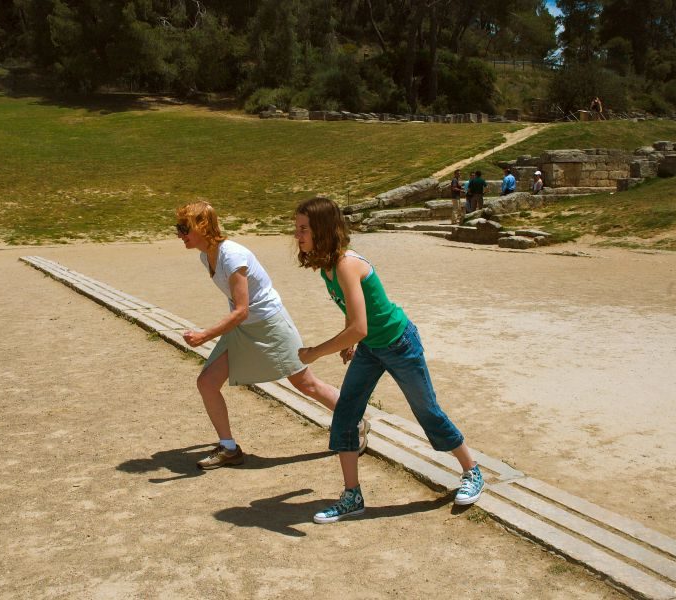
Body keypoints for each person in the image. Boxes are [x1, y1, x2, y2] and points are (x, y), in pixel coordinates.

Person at [293, 196, 485, 524]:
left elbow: (359, 325)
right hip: (370, 348)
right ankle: (352, 496)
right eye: (296, 229)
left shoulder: (345, 264)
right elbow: (355, 315)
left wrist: (315, 352)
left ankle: (473, 471)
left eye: (303, 229)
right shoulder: (326, 266)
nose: (297, 235)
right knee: (346, 414)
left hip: (400, 344)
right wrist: (353, 341)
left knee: (428, 412)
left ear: (322, 230)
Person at [176, 201, 370, 470]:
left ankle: (356, 421)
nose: (180, 235)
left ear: (203, 227)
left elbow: (242, 310)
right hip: (242, 328)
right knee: (207, 382)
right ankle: (229, 448)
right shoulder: (205, 256)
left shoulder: (231, 256)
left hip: (269, 324)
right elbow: (240, 312)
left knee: (305, 384)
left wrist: (205, 335)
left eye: (184, 228)